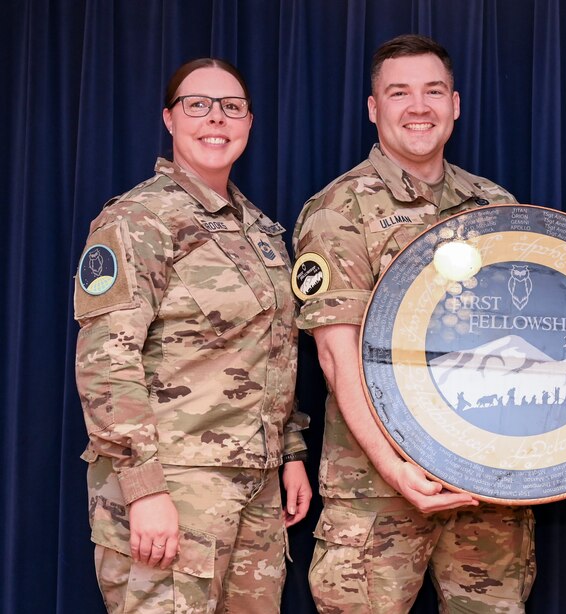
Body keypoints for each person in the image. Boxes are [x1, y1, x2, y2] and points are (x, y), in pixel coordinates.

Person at [292, 34, 535, 613]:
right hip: (375, 493)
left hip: (487, 491)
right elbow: (335, 355)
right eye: (399, 93)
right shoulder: (339, 209)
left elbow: (531, 335)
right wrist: (395, 468)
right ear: (374, 109)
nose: (418, 106)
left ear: (455, 104)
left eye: (432, 91)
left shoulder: (496, 204)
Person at [73, 58, 311, 612]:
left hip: (255, 487)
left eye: (231, 108)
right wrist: (146, 489)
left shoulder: (260, 229)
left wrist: (290, 450)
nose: (216, 119)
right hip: (172, 486)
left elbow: (275, 348)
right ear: (169, 119)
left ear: (249, 123)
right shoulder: (138, 219)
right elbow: (107, 363)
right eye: (197, 105)